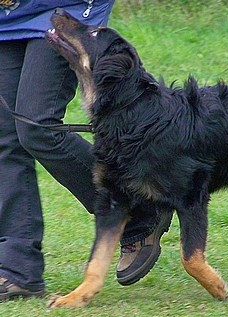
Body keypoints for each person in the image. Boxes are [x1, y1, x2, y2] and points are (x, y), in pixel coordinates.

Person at [0, 0, 172, 301]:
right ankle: (18, 269)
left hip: (61, 6)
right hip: (7, 15)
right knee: (5, 136)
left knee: (37, 126)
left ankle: (140, 209)